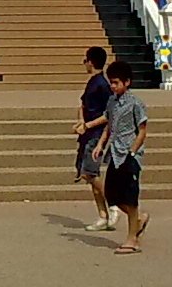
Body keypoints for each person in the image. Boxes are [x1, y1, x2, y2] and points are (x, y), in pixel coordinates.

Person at [92, 60, 150, 254]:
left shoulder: (135, 103)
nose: (113, 86)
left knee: (130, 198)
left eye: (116, 82)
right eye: (111, 82)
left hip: (129, 155)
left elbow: (142, 131)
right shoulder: (111, 102)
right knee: (112, 195)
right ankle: (139, 219)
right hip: (114, 154)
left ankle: (132, 239)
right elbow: (109, 124)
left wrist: (133, 151)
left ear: (127, 82)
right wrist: (100, 144)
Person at [74, 46, 119, 232]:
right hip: (88, 133)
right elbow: (83, 105)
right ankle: (103, 215)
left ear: (90, 62)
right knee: (90, 175)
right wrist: (80, 121)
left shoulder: (102, 85)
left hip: (97, 135)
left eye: (85, 60)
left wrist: (89, 125)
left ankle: (114, 203)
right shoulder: (92, 82)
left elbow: (110, 113)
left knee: (90, 173)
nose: (84, 64)